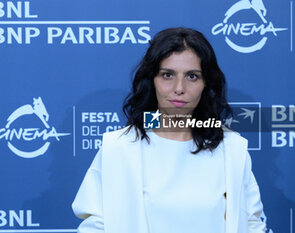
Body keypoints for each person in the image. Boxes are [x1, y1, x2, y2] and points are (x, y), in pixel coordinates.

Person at [72, 27, 267, 233]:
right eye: (167, 75)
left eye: (192, 76)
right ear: (152, 80)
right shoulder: (118, 147)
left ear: (206, 83)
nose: (179, 88)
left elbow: (252, 224)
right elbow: (94, 227)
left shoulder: (231, 149)